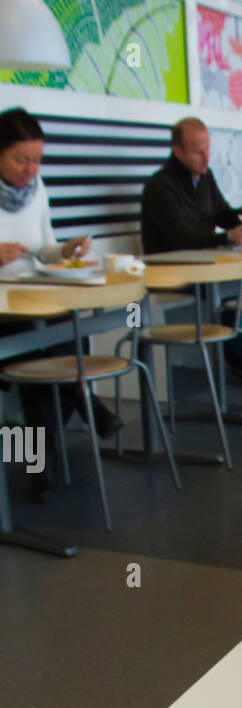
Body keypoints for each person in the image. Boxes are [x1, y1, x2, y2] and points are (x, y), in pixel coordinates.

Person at [0, 107, 120, 501]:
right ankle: (87, 405)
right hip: (4, 312)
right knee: (36, 369)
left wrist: (65, 249)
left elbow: (43, 250)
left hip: (36, 299)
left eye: (36, 160)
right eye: (21, 160)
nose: (30, 169)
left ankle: (42, 468)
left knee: (62, 342)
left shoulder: (37, 192)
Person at [140, 117, 242, 384]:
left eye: (208, 150)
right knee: (235, 291)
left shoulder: (205, 177)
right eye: (198, 152)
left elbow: (220, 213)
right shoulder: (160, 187)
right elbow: (182, 236)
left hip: (207, 268)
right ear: (178, 151)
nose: (206, 158)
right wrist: (227, 235)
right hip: (173, 275)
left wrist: (241, 214)